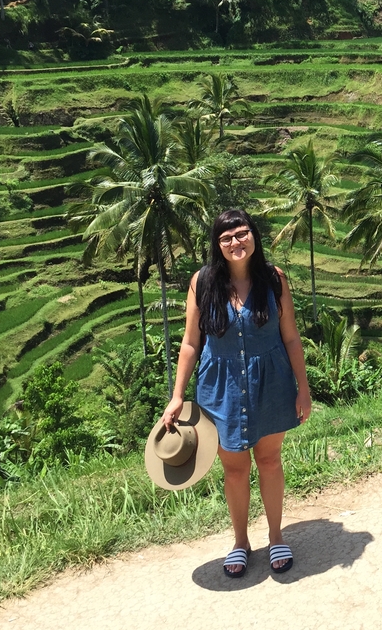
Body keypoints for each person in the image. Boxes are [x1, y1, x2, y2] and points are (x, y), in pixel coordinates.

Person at [161, 208, 313, 578]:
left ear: (254, 236)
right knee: (234, 468)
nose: (235, 242)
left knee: (270, 460)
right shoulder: (203, 282)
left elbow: (291, 337)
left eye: (242, 233)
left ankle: (276, 536)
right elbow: (191, 343)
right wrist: (177, 395)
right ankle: (241, 542)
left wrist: (303, 389)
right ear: (217, 244)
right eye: (226, 237)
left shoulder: (274, 279)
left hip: (271, 382)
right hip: (221, 388)